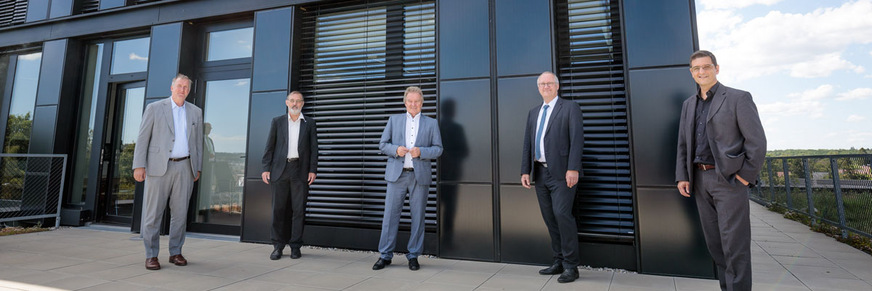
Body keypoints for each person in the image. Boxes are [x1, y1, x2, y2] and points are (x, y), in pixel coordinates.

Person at [675, 50, 766, 291]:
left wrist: (744, 178)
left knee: (734, 245)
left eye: (706, 67)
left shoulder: (738, 98)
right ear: (691, 72)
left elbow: (756, 143)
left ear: (717, 68)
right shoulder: (688, 105)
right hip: (699, 180)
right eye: (696, 68)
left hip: (728, 180)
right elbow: (683, 144)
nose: (701, 72)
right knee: (715, 244)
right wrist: (682, 176)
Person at [133, 73, 203, 270]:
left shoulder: (196, 112)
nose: (182, 90)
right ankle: (151, 255)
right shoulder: (155, 108)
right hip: (158, 168)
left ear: (189, 90)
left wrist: (197, 167)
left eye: (186, 87)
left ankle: (176, 252)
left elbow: (198, 144)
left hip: (185, 167)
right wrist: (139, 165)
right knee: (153, 214)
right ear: (171, 88)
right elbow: (142, 138)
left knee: (180, 214)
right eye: (179, 86)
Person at [520, 71, 584, 283]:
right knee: (550, 218)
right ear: (538, 88)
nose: (545, 86)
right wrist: (525, 171)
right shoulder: (533, 112)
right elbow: (528, 143)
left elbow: (577, 140)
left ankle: (571, 266)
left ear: (557, 86)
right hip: (540, 172)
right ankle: (558, 261)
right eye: (542, 84)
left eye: (549, 83)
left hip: (563, 173)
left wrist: (573, 168)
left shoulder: (570, 108)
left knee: (562, 215)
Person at [372, 86, 442, 271]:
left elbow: (438, 149)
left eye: (417, 101)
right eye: (410, 101)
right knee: (389, 217)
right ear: (405, 102)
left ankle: (413, 256)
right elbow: (382, 144)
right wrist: (395, 150)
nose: (413, 104)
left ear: (422, 103)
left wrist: (422, 152)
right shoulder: (394, 120)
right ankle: (385, 256)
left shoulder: (431, 123)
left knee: (418, 218)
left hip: (420, 176)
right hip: (397, 175)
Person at [262, 91, 318, 260]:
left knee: (298, 210)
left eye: (298, 101)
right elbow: (269, 146)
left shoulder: (310, 123)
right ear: (287, 103)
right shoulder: (277, 122)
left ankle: (295, 246)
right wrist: (266, 168)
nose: (295, 104)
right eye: (292, 101)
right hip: (280, 170)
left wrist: (312, 170)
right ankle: (277, 246)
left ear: (302, 104)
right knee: (278, 210)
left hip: (300, 170)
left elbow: (314, 149)